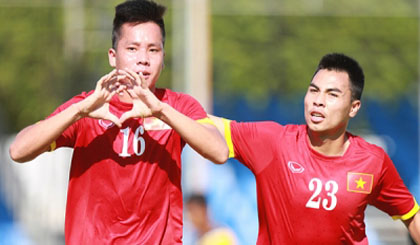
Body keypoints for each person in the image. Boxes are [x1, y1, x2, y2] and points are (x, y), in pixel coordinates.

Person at [8, 0, 228, 244]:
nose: (143, 59)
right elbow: (18, 150)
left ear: (163, 58)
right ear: (113, 57)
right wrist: (79, 111)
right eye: (132, 49)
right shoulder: (87, 108)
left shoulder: (177, 107)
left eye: (153, 50)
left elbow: (219, 151)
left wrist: (161, 111)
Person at [210, 53, 420, 244]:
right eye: (314, 91)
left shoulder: (372, 160)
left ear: (354, 107)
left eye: (332, 94)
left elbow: (411, 216)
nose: (318, 101)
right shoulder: (275, 142)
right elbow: (212, 125)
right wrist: (176, 111)